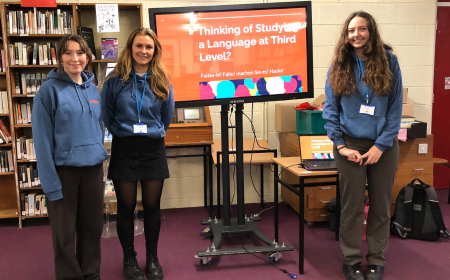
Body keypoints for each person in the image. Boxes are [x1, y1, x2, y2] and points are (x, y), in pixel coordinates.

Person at [322, 11, 403, 280]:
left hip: (384, 146)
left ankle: (377, 259)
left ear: (371, 31)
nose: (356, 34)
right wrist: (341, 145)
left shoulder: (390, 61)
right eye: (351, 30)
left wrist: (381, 145)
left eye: (362, 29)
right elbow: (330, 110)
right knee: (353, 206)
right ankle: (351, 260)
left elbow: (395, 110)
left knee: (381, 205)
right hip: (350, 145)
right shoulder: (339, 63)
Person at [31, 34, 107, 280]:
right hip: (64, 173)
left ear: (88, 56)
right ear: (59, 57)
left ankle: (91, 274)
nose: (75, 58)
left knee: (92, 229)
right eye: (68, 53)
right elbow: (42, 141)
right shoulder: (48, 91)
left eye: (80, 53)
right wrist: (50, 183)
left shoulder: (94, 89)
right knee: (64, 235)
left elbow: (98, 128)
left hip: (93, 170)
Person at [101, 27, 174, 280]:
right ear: (130, 49)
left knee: (153, 205)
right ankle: (129, 258)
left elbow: (166, 118)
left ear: (155, 51)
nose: (144, 51)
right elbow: (107, 116)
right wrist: (125, 131)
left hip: (153, 148)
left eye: (149, 47)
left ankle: (152, 257)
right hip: (124, 146)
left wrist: (150, 131)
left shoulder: (162, 79)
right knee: (126, 206)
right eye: (139, 46)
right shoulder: (114, 80)